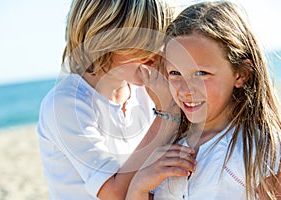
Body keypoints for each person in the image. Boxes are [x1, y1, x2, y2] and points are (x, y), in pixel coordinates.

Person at [126, 1, 281, 199]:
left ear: (241, 74)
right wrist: (139, 187)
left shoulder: (264, 151)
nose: (185, 90)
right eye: (175, 73)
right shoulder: (166, 146)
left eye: (201, 73)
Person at [36, 0, 190, 199]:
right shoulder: (66, 104)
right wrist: (166, 115)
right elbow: (116, 193)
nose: (157, 52)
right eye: (145, 41)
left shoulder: (142, 90)